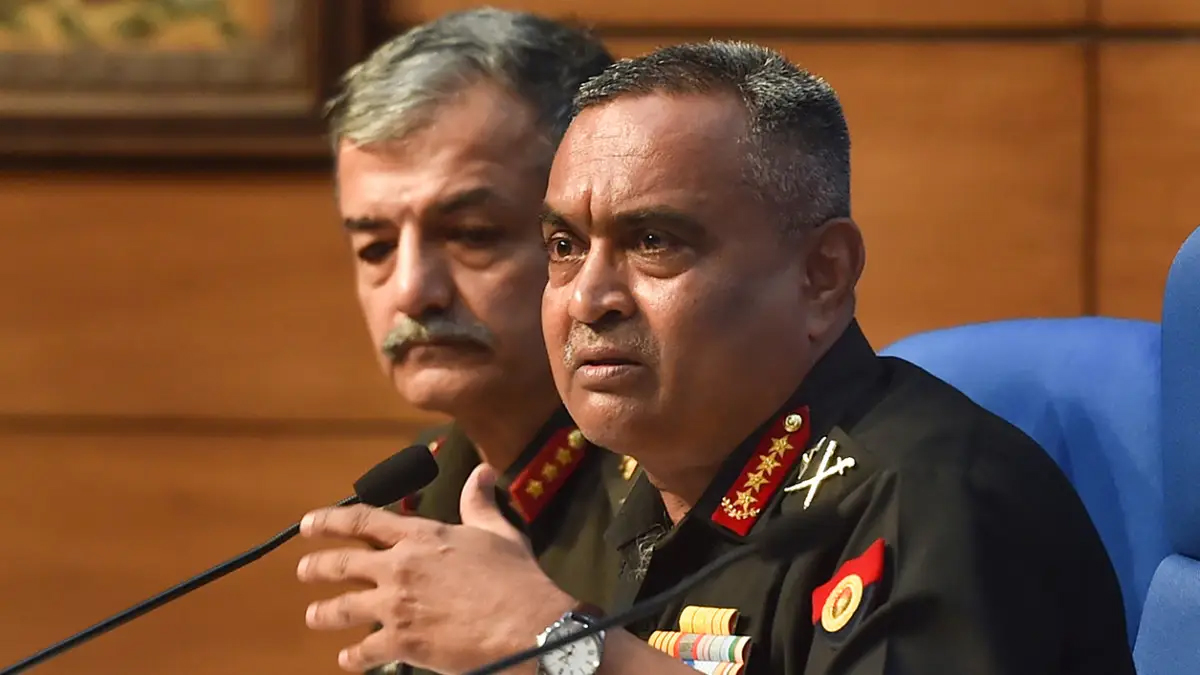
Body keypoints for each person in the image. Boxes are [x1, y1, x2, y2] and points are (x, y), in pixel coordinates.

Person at [296, 40, 1137, 675]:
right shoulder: (645, 487)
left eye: (652, 241)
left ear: (822, 275)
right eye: (562, 245)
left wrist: (554, 645)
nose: (589, 297)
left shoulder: (934, 496)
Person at [314, 9, 636, 675]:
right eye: (374, 246)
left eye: (471, 233)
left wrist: (552, 644)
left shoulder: (675, 483)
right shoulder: (419, 497)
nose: (412, 291)